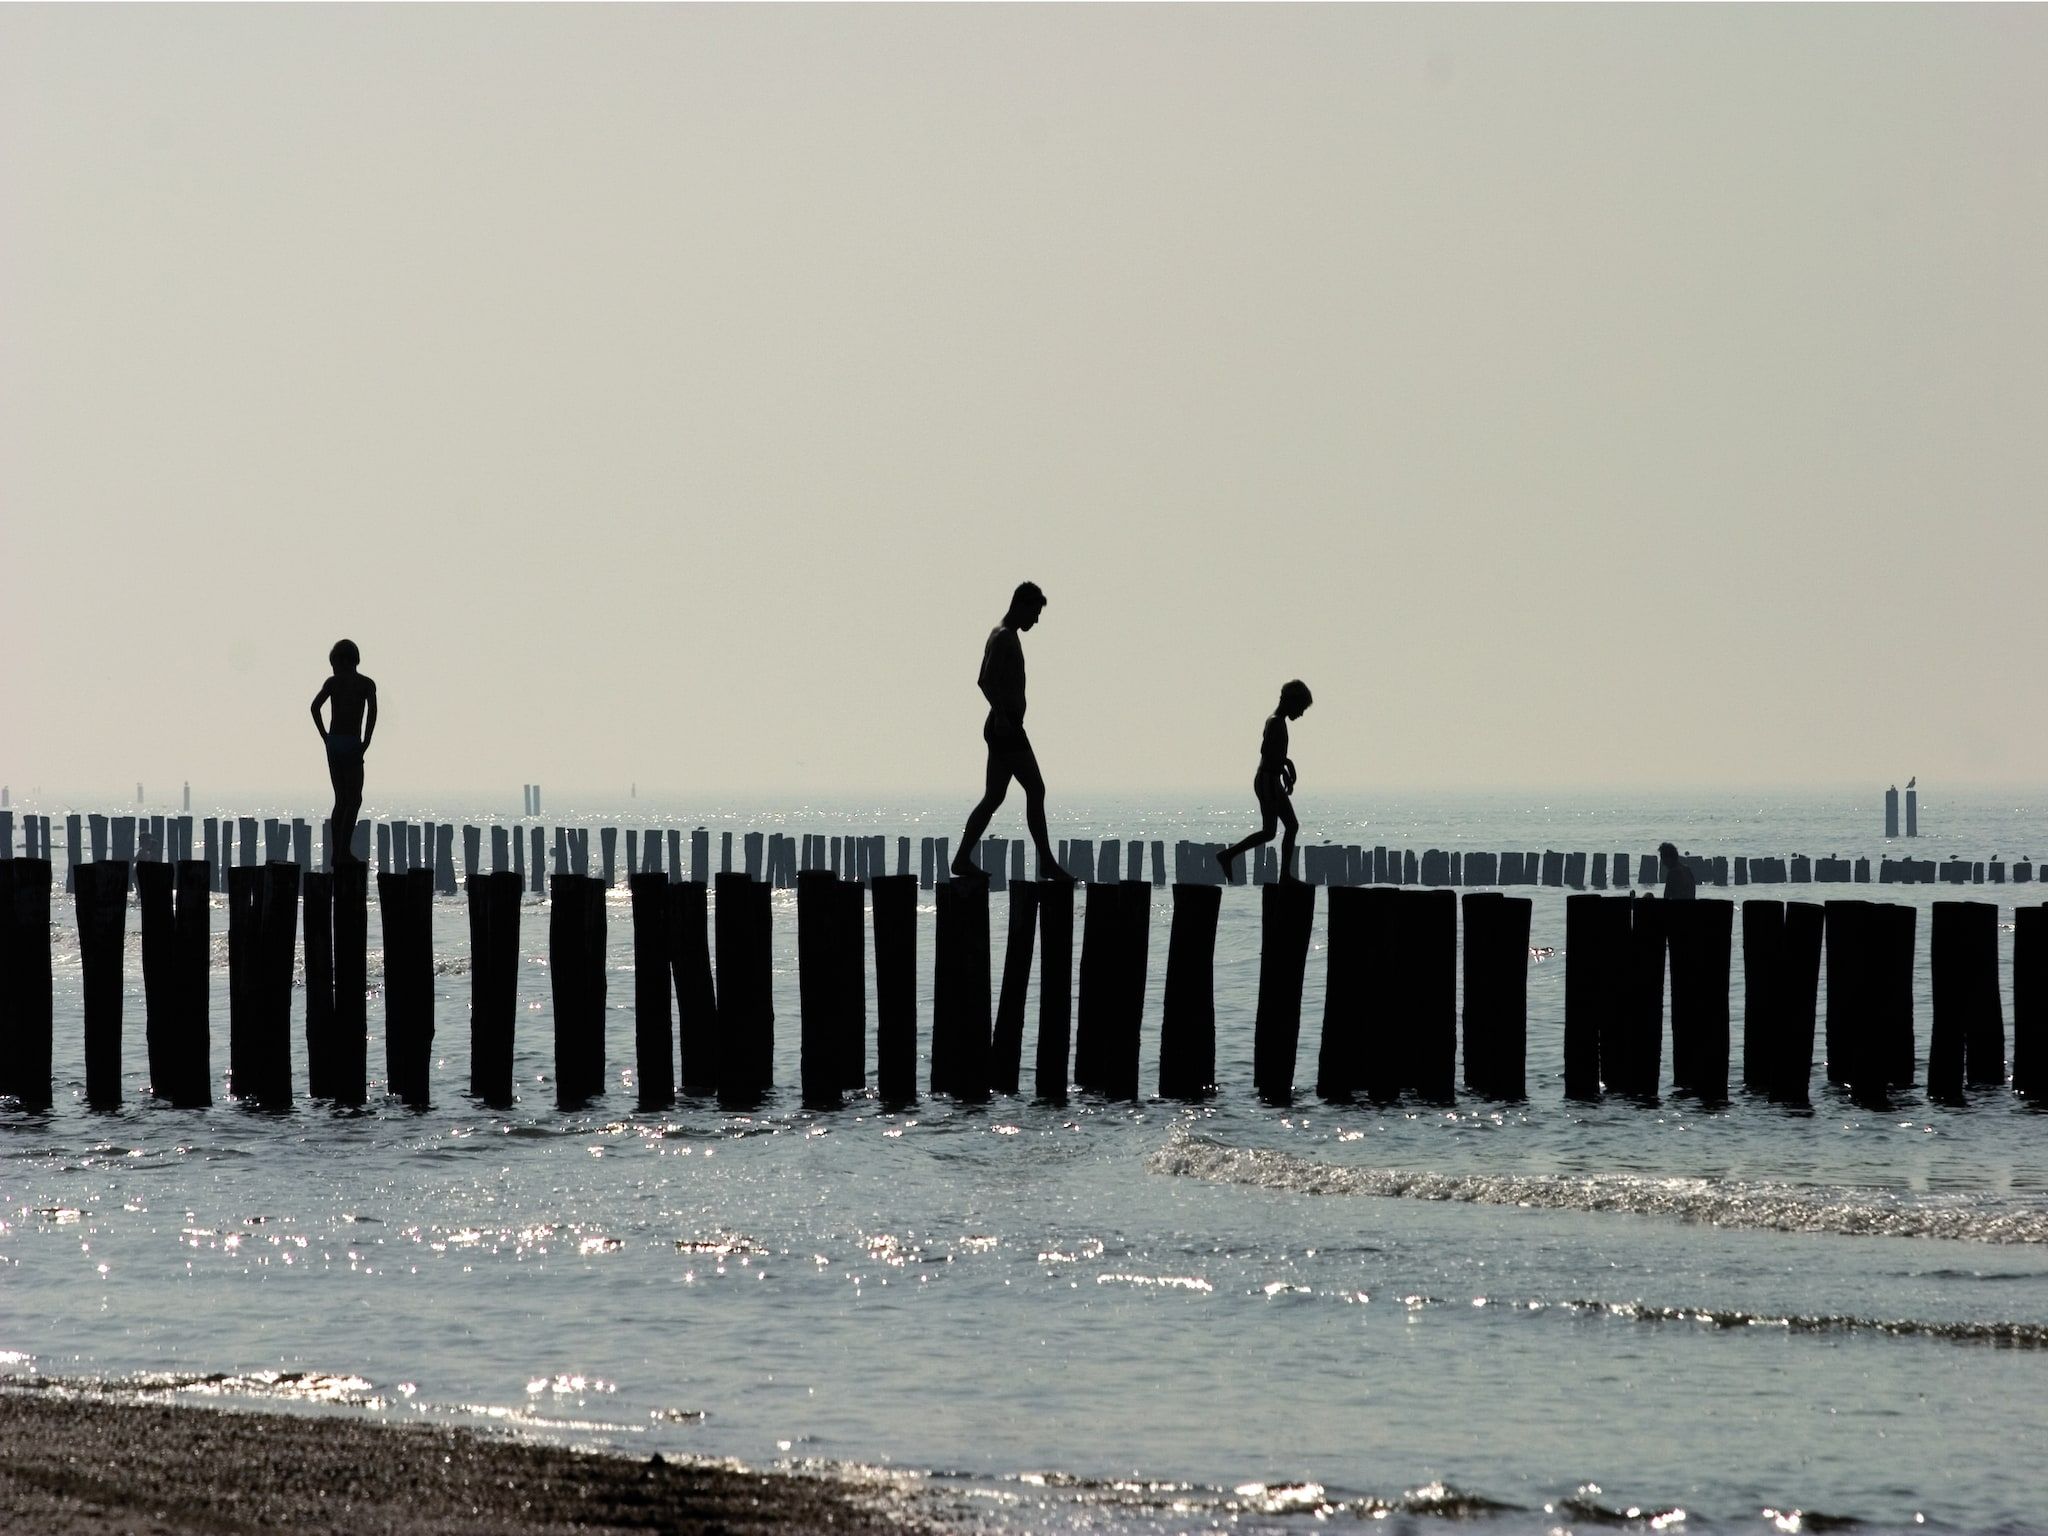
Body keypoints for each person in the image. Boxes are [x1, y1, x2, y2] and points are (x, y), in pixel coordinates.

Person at [952, 582, 1072, 884]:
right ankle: (1046, 862)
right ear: (1021, 605)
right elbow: (985, 680)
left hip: (1003, 727)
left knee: (993, 797)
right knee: (1036, 788)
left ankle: (962, 857)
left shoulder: (1005, 635)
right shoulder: (1004, 637)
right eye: (1034, 613)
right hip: (1006, 729)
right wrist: (1004, 715)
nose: (1036, 621)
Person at [1217, 680, 1313, 882]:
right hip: (1268, 780)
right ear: (1291, 702)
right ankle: (1285, 875)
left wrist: (1286, 766)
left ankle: (1229, 855)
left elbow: (1273, 753)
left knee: (1270, 831)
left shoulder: (1276, 720)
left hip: (1268, 779)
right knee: (1291, 826)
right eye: (1301, 708)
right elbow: (1267, 751)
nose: (1302, 714)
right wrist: (1287, 767)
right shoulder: (1276, 721)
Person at [311, 639, 377, 865]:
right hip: (350, 742)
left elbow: (314, 708)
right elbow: (372, 714)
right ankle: (343, 851)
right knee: (354, 799)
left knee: (341, 800)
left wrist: (325, 737)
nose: (334, 669)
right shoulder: (366, 684)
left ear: (343, 661)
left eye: (335, 664)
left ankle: (337, 852)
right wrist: (366, 742)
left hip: (335, 743)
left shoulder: (333, 683)